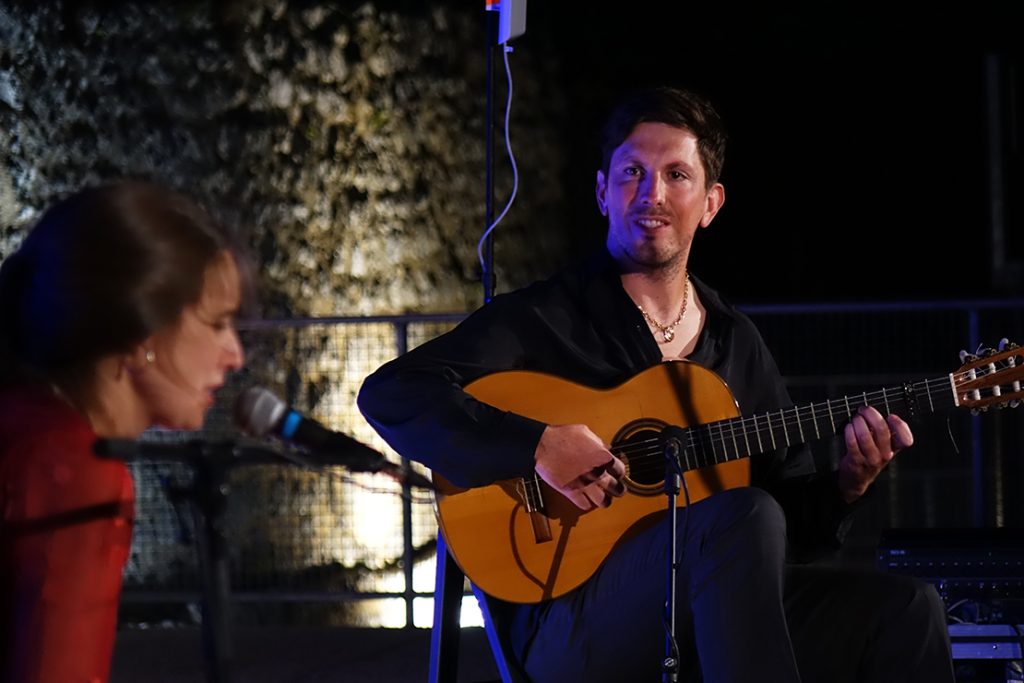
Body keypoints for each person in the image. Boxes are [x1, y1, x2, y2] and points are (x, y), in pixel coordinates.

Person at [357, 86, 955, 682]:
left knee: (907, 610)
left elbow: (783, 535)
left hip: (710, 607)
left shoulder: (734, 342)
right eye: (632, 173)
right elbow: (391, 392)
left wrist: (848, 483)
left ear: (711, 203)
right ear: (602, 192)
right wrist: (536, 446)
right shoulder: (545, 318)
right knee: (741, 514)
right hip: (570, 620)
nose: (653, 194)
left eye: (677, 175)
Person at [0, 180, 248, 682]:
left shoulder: (22, 424)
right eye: (217, 323)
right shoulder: (76, 473)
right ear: (142, 336)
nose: (235, 355)